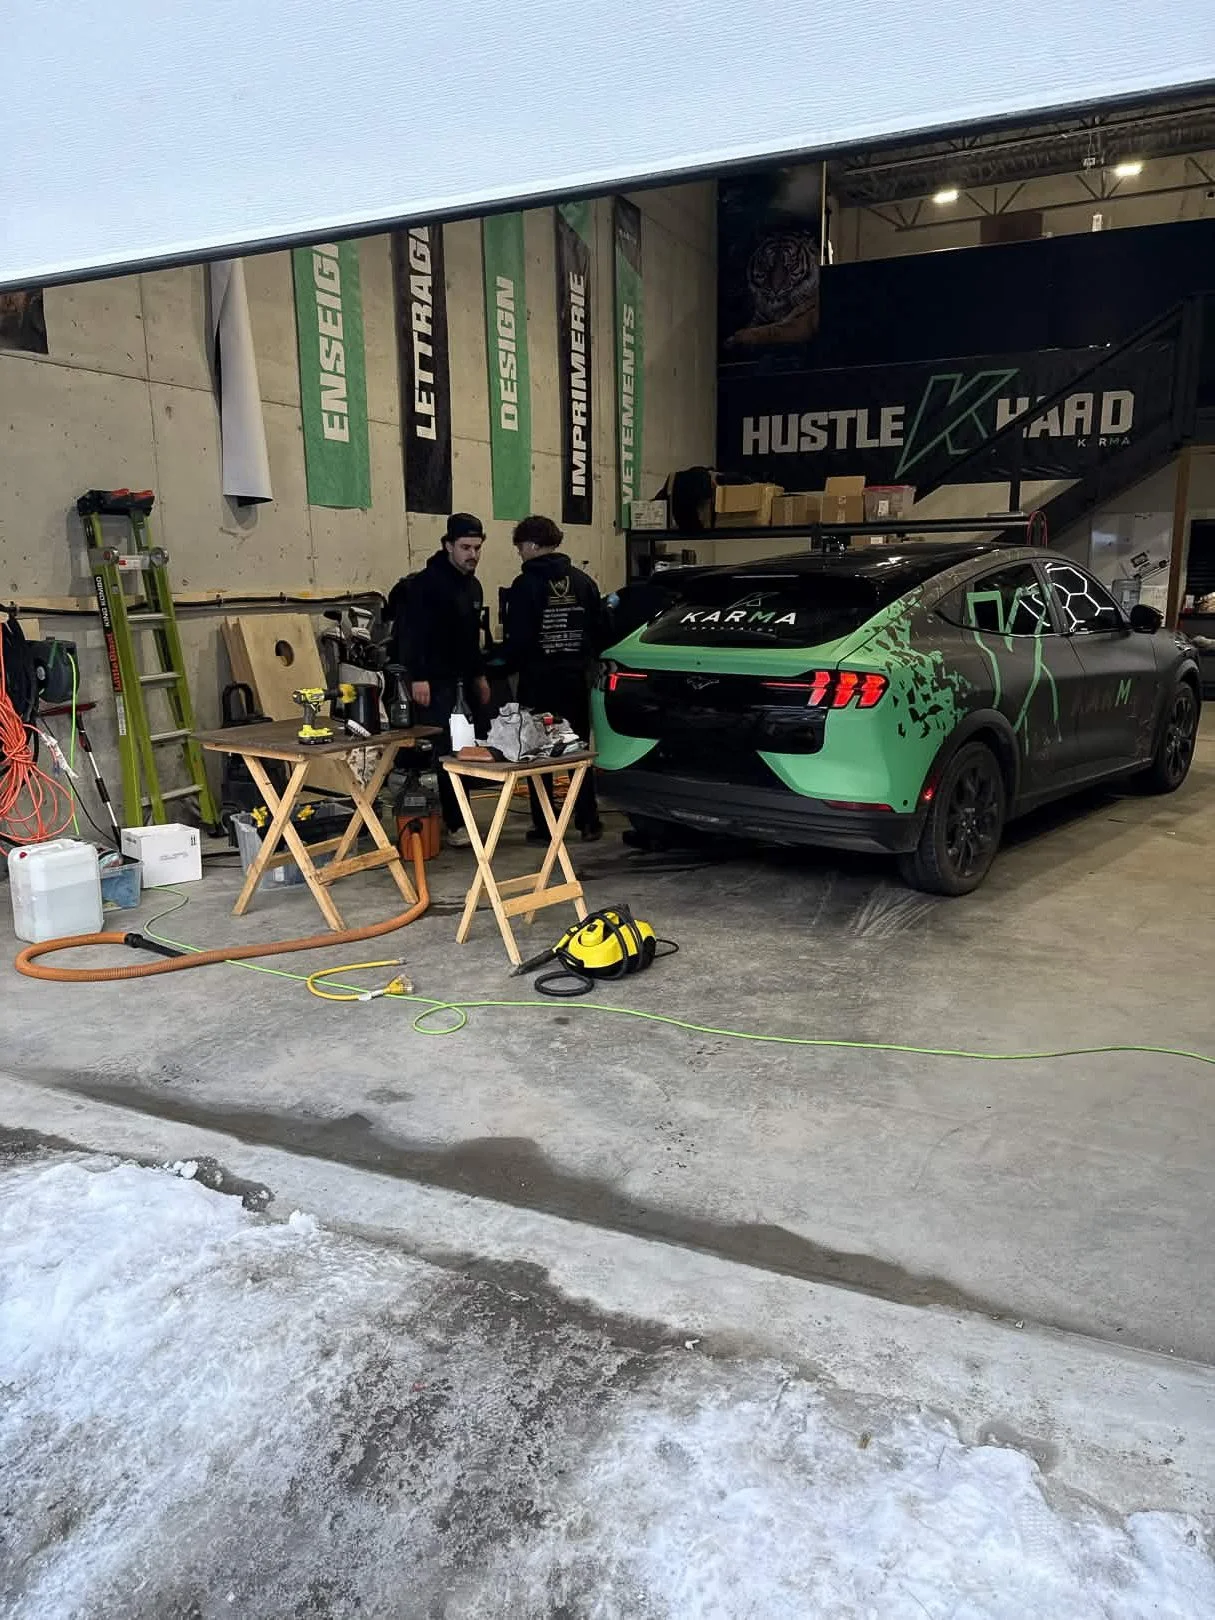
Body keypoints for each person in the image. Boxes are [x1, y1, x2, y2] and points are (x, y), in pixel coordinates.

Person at [503, 514, 604, 843]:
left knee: (540, 753)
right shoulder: (583, 581)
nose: (520, 554)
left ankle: (546, 826)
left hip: (538, 680)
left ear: (531, 545)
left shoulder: (524, 586)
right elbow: (602, 628)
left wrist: (501, 667)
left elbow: (518, 639)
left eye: (520, 548)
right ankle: (588, 821)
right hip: (575, 678)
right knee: (577, 751)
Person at [392, 513, 491, 847]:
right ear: (449, 545)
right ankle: (454, 821)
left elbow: (471, 639)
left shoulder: (473, 586)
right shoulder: (425, 585)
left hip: (463, 680)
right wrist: (418, 678)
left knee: (467, 750)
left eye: (477, 548)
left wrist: (479, 676)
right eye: (465, 547)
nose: (472, 554)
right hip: (434, 683)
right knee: (446, 752)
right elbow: (412, 635)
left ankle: (459, 815)